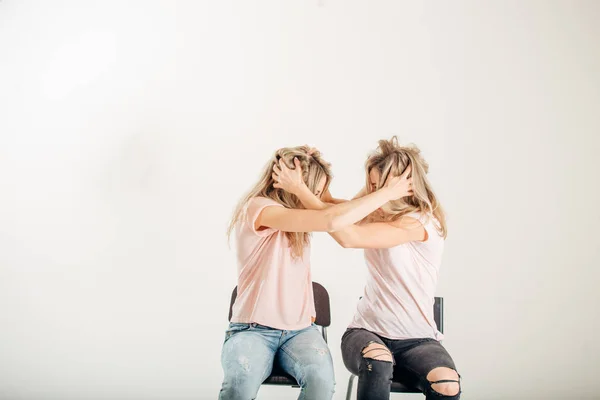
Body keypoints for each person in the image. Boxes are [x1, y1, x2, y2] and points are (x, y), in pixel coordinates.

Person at [219, 145, 413, 400]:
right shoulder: (260, 209)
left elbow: (344, 213)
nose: (319, 198)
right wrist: (387, 192)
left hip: (300, 331)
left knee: (321, 381)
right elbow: (332, 219)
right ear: (292, 186)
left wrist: (376, 188)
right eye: (316, 190)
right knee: (239, 384)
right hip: (252, 330)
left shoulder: (299, 214)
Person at [272, 138, 461, 400]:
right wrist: (314, 173)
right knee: (378, 360)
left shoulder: (420, 223)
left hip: (419, 339)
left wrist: (301, 190)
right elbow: (333, 209)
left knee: (447, 383)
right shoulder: (379, 212)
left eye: (378, 186)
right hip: (366, 332)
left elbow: (347, 236)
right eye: (370, 184)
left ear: (402, 186)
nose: (372, 192)